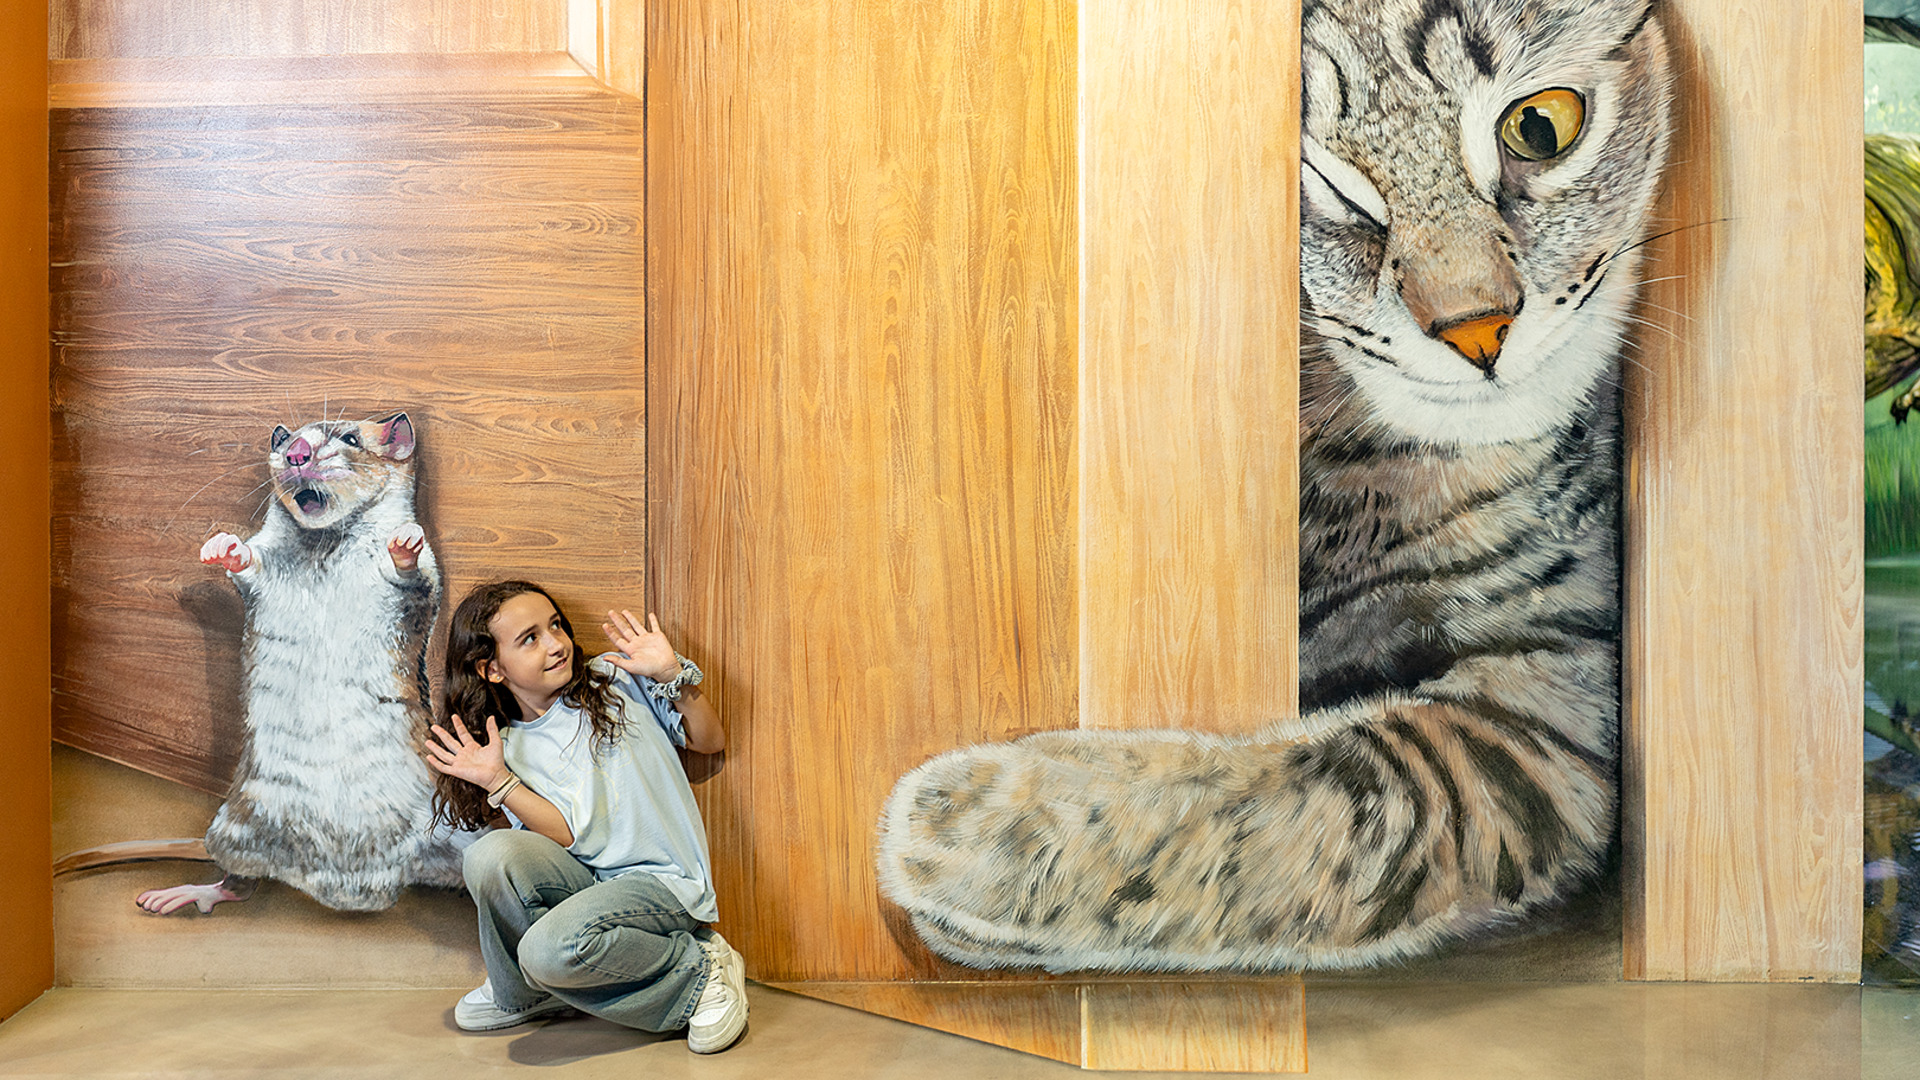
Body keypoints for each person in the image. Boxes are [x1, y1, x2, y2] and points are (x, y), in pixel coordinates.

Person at [424, 579, 746, 1053]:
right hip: (590, 888)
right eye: (530, 638)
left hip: (663, 883)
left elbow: (709, 740)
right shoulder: (504, 746)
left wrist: (672, 675)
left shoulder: (613, 679)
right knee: (487, 855)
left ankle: (699, 971)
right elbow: (566, 834)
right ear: (491, 669)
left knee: (546, 953)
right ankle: (526, 993)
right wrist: (497, 780)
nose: (556, 644)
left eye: (555, 625)